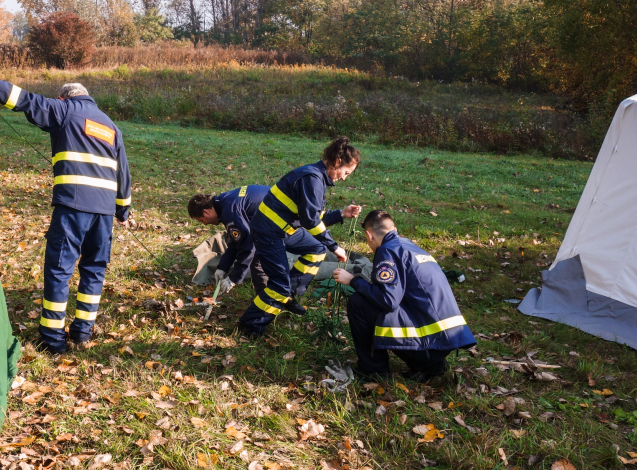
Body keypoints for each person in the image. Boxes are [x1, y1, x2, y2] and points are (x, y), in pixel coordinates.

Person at [0, 61, 131, 354]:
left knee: (60, 270)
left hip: (73, 207)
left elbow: (22, 99)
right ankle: (82, 334)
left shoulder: (65, 110)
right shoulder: (111, 126)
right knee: (94, 270)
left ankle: (52, 340)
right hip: (103, 214)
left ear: (63, 98)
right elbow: (123, 172)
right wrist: (123, 211)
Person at [239, 137, 362, 337]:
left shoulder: (317, 177)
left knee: (316, 249)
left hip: (284, 230)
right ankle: (250, 325)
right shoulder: (311, 179)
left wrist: (341, 214)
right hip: (268, 233)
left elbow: (314, 216)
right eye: (346, 172)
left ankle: (288, 295)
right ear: (337, 162)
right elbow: (311, 222)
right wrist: (334, 246)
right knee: (278, 285)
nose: (345, 178)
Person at [333, 210, 476, 382]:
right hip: (445, 341)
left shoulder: (387, 251)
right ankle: (431, 365)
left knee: (358, 302)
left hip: (428, 346)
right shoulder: (412, 247)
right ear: (394, 228)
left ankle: (373, 371)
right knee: (370, 296)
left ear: (368, 235)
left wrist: (353, 281)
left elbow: (388, 301)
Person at [188, 185, 269, 298]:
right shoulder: (225, 201)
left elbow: (248, 247)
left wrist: (233, 279)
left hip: (286, 214)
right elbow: (237, 241)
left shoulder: (230, 213)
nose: (205, 224)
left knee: (257, 261)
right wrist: (223, 267)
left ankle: (267, 302)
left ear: (206, 212)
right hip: (277, 209)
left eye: (202, 220)